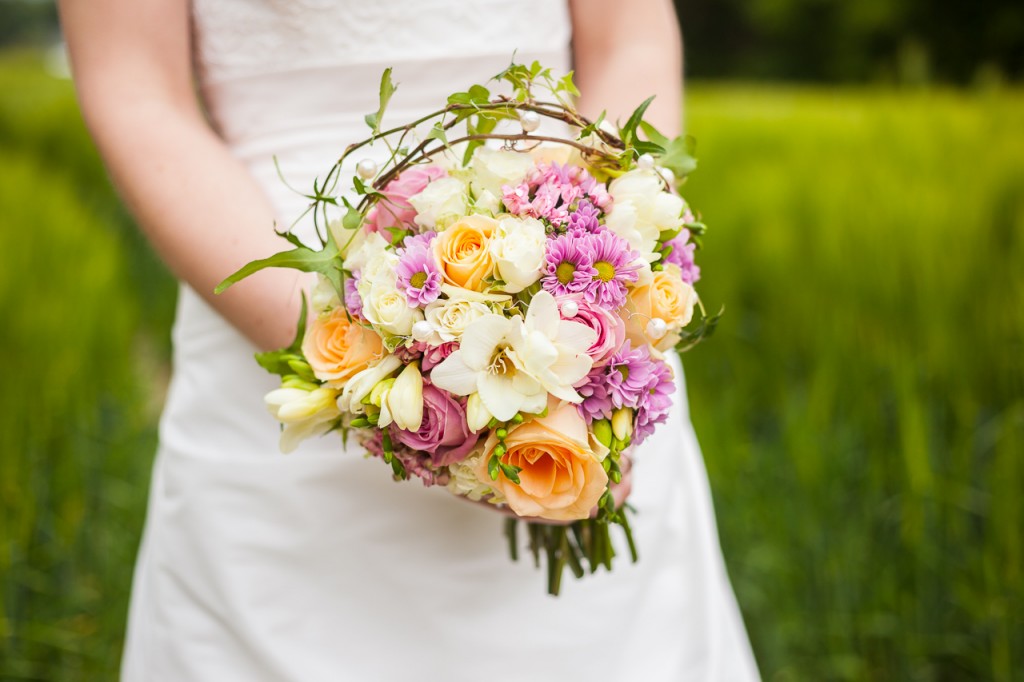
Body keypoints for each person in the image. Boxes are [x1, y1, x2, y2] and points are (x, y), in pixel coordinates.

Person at [59, 0, 760, 679]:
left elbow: (629, 40)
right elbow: (137, 90)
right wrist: (370, 363)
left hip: (569, 312)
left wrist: (599, 229)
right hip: (265, 292)